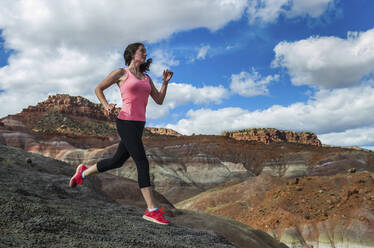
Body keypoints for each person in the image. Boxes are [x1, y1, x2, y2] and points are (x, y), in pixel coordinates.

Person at [69, 42, 173, 225]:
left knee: (117, 161)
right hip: (125, 121)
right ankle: (151, 210)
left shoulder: (147, 78)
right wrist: (106, 105)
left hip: (139, 125)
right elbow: (98, 89)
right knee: (142, 161)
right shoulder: (121, 73)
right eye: (142, 51)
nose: (145, 53)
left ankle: (83, 173)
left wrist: (165, 83)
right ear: (133, 54)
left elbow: (159, 100)